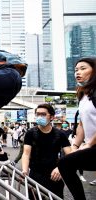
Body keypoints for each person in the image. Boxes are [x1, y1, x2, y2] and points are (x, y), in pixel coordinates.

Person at [58, 57, 96, 200]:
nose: (77, 72)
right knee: (66, 163)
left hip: (93, 146)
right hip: (91, 146)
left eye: (83, 68)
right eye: (76, 70)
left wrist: (89, 145)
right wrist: (75, 146)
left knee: (65, 164)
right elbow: (82, 125)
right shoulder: (83, 95)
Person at [21, 104, 71, 199]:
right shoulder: (30, 133)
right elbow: (26, 154)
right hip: (35, 175)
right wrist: (24, 169)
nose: (40, 117)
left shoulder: (60, 134)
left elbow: (70, 155)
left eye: (43, 114)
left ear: (52, 117)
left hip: (54, 175)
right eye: (38, 114)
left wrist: (60, 168)